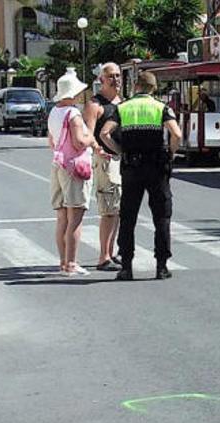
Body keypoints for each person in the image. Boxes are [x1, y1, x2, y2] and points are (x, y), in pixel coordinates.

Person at [100, 71, 182, 281]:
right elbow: (177, 134)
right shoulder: (161, 108)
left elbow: (104, 133)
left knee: (128, 218)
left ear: (136, 86)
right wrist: (171, 154)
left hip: (131, 168)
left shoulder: (123, 107)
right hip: (156, 167)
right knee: (162, 217)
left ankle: (126, 266)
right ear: (154, 88)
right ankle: (161, 266)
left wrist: (119, 151)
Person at [48, 68, 95, 276]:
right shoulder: (73, 113)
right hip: (75, 167)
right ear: (74, 94)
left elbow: (51, 141)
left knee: (62, 218)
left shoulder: (54, 112)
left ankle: (62, 261)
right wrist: (90, 137)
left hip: (58, 165)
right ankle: (72, 263)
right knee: (75, 216)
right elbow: (79, 142)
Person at [83, 62, 123, 271]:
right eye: (111, 76)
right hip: (106, 161)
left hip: (121, 161)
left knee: (117, 209)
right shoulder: (94, 104)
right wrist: (99, 149)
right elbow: (88, 133)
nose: (116, 80)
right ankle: (103, 256)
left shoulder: (122, 103)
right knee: (108, 210)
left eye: (118, 75)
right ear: (101, 80)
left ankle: (111, 251)